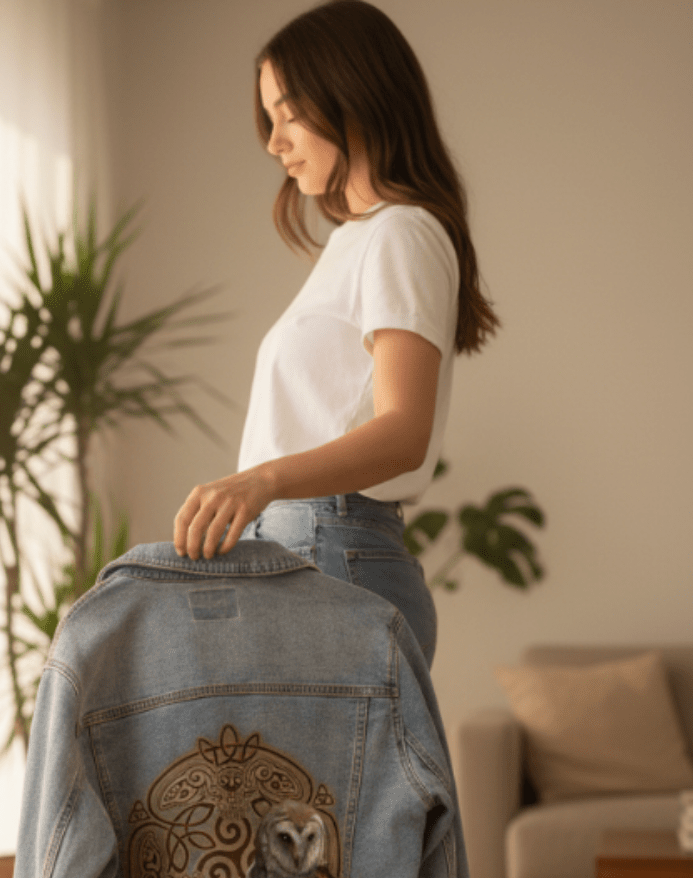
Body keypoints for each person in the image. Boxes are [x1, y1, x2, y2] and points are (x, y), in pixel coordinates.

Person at [173, 0, 499, 668]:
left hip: (329, 551)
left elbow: (404, 431)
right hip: (305, 550)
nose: (273, 140)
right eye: (271, 118)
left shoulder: (402, 232)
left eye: (290, 112)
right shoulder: (358, 242)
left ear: (356, 95)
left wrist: (259, 481)